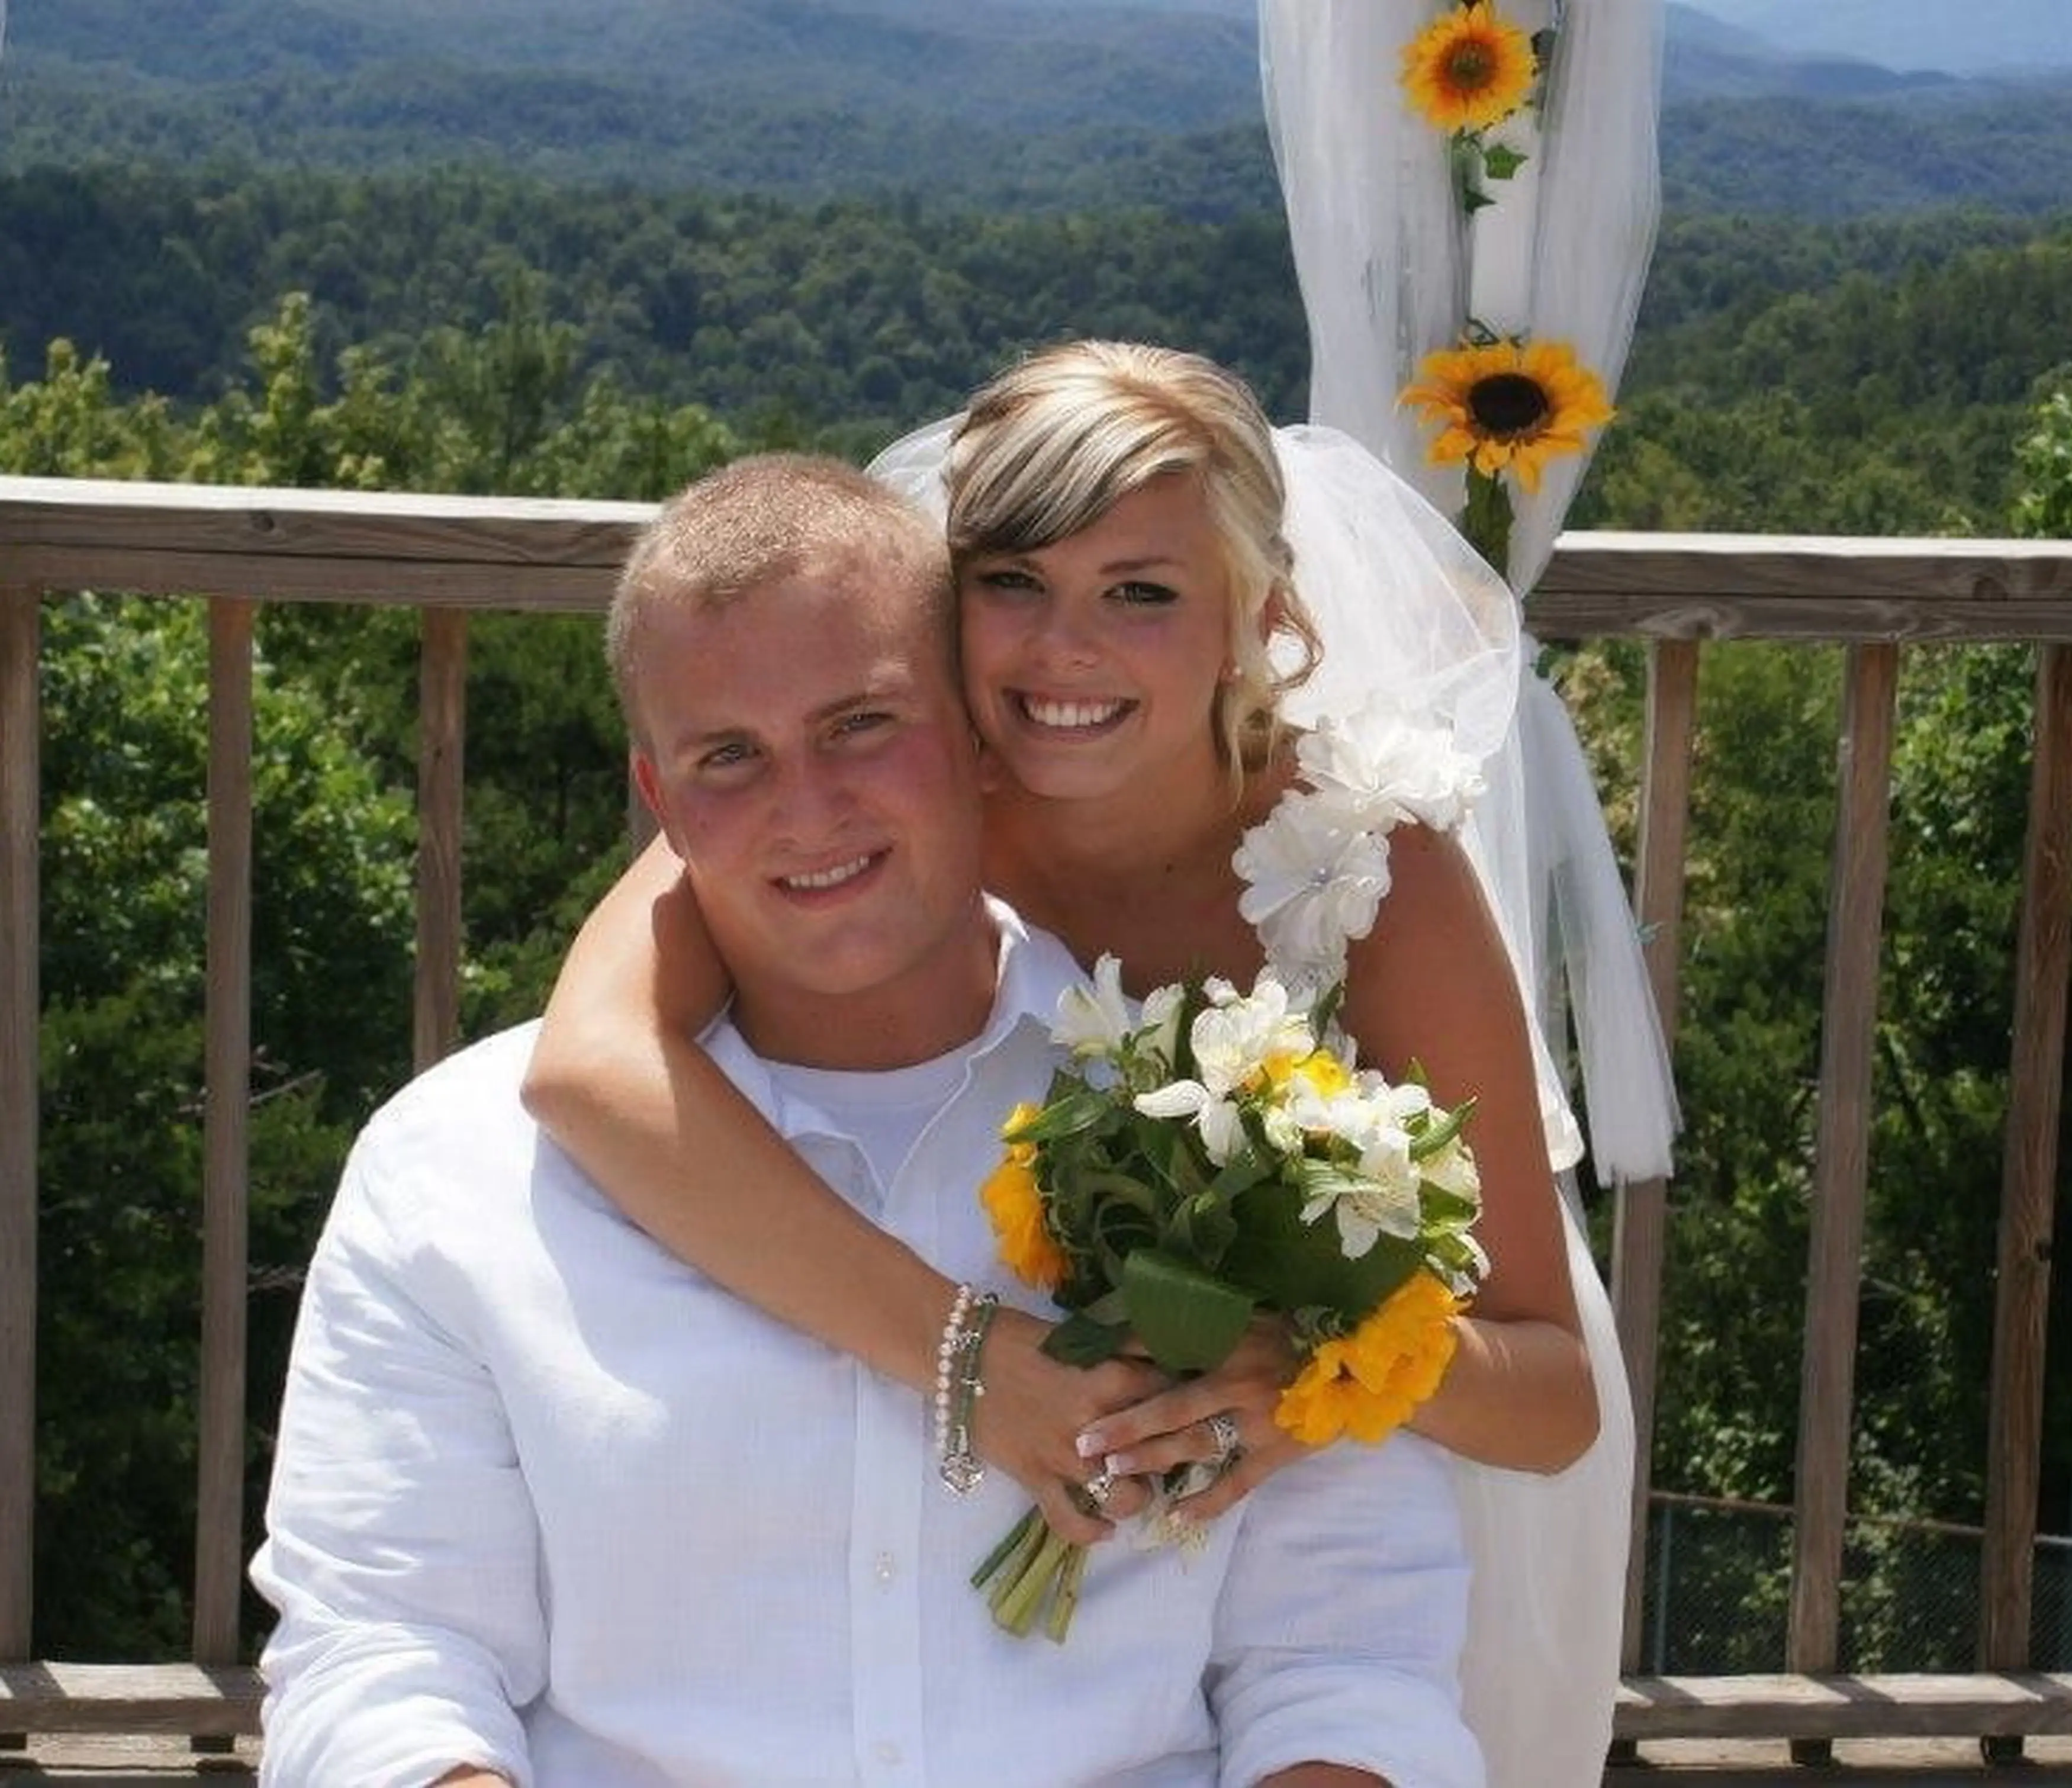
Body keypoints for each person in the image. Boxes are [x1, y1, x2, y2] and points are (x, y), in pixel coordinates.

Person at [250, 451, 1482, 1788]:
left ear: (974, 733)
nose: (807, 807)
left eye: (858, 724)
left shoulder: (1233, 1143)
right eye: (730, 755)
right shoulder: (458, 1167)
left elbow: (1349, 1667)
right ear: (658, 797)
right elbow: (388, 1656)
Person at [523, 344, 1634, 1780]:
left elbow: (1551, 1397)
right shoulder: (888, 803)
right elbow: (587, 1066)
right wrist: (967, 1361)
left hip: (1362, 1499)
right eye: (1013, 584)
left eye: (1142, 593)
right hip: (1007, 1488)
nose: (1063, 652)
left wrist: (1302, 1366)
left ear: (1262, 617)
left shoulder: (1367, 860)